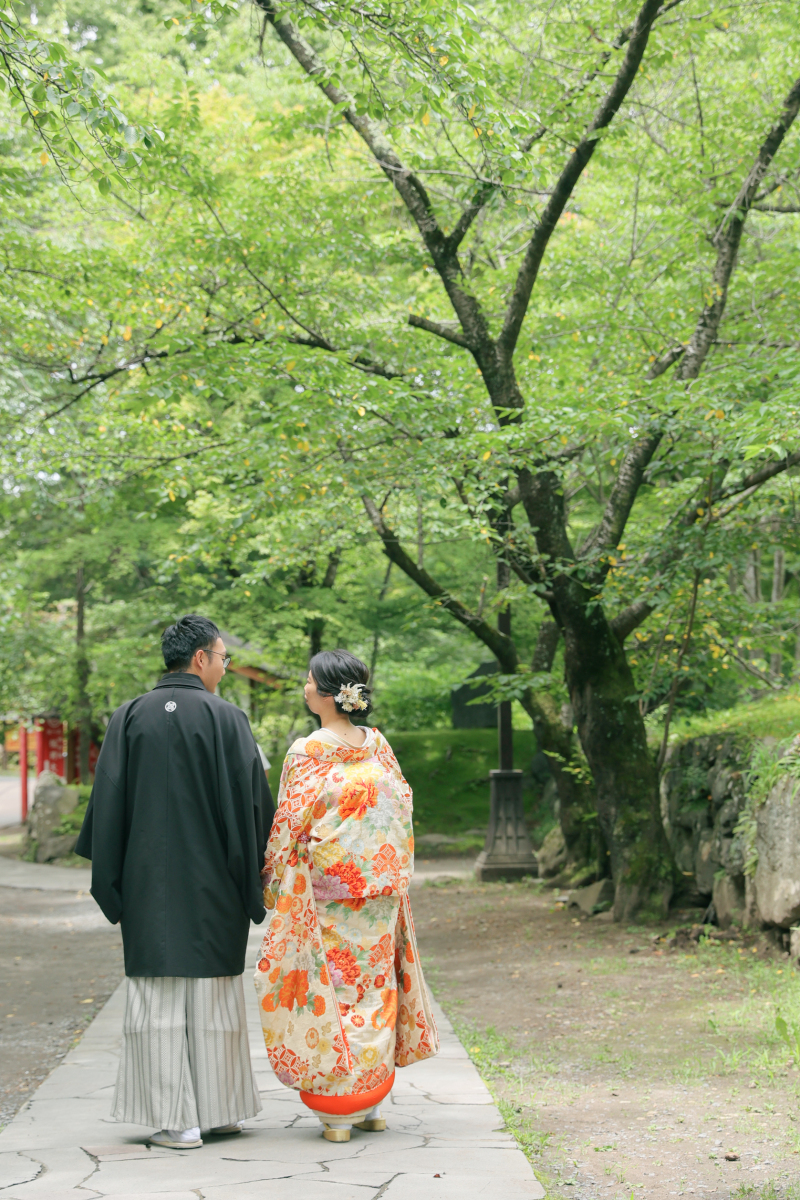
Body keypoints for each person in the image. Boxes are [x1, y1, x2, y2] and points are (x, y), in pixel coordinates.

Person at [76, 614, 274, 1149]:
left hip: (146, 884)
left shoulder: (128, 716)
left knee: (157, 1000)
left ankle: (176, 1121)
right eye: (222, 657)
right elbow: (253, 805)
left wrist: (112, 877)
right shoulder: (227, 718)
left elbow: (108, 800)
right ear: (200, 658)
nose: (225, 667)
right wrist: (256, 873)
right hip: (214, 881)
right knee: (214, 997)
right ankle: (219, 1110)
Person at [254, 649, 438, 1142]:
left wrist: (269, 878)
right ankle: (372, 1102)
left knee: (335, 992)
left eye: (308, 680)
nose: (304, 687)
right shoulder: (378, 746)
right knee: (376, 990)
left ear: (328, 694)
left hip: (330, 896)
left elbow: (288, 822)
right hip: (380, 889)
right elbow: (403, 804)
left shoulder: (308, 752)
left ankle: (341, 1106)